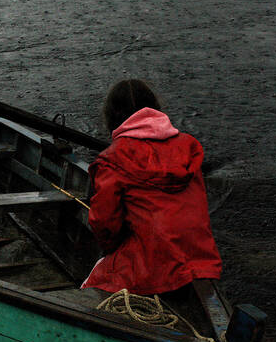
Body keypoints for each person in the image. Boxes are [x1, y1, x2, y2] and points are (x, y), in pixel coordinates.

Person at [81, 79, 222, 295]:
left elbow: (104, 224)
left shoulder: (112, 160)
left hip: (151, 271)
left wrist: (111, 252)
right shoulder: (188, 147)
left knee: (93, 283)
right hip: (201, 262)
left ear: (112, 115)